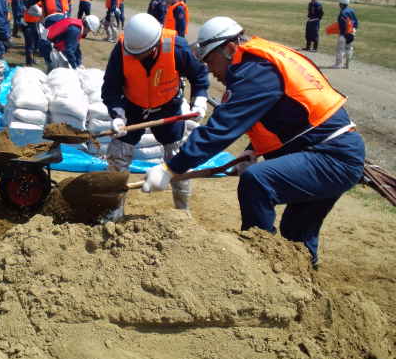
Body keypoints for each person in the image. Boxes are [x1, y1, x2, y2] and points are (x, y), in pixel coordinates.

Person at [142, 16, 365, 266]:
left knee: (257, 182)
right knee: (296, 236)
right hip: (326, 151)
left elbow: (222, 127)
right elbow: (283, 116)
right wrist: (252, 150)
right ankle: (304, 283)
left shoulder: (255, 70)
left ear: (228, 49)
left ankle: (259, 267)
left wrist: (171, 168)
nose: (210, 71)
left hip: (331, 156)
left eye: (210, 60)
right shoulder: (260, 62)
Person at [101, 13, 210, 220]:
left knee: (177, 159)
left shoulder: (176, 47)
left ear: (154, 46)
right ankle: (114, 212)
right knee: (117, 156)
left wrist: (200, 99)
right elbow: (111, 88)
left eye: (139, 54)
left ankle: (182, 212)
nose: (134, 57)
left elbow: (199, 76)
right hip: (132, 107)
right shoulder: (123, 50)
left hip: (168, 108)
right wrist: (117, 115)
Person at [327, 0, 358, 69]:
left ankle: (338, 64)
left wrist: (342, 33)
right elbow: (356, 22)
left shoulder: (342, 13)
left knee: (340, 49)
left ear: (341, 4)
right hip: (352, 32)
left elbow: (342, 25)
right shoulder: (351, 11)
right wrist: (353, 30)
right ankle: (347, 64)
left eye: (339, 3)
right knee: (349, 48)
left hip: (344, 33)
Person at [22, 0, 42, 66]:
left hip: (35, 22)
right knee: (29, 44)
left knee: (35, 42)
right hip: (28, 24)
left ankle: (32, 59)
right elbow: (36, 10)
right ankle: (29, 63)